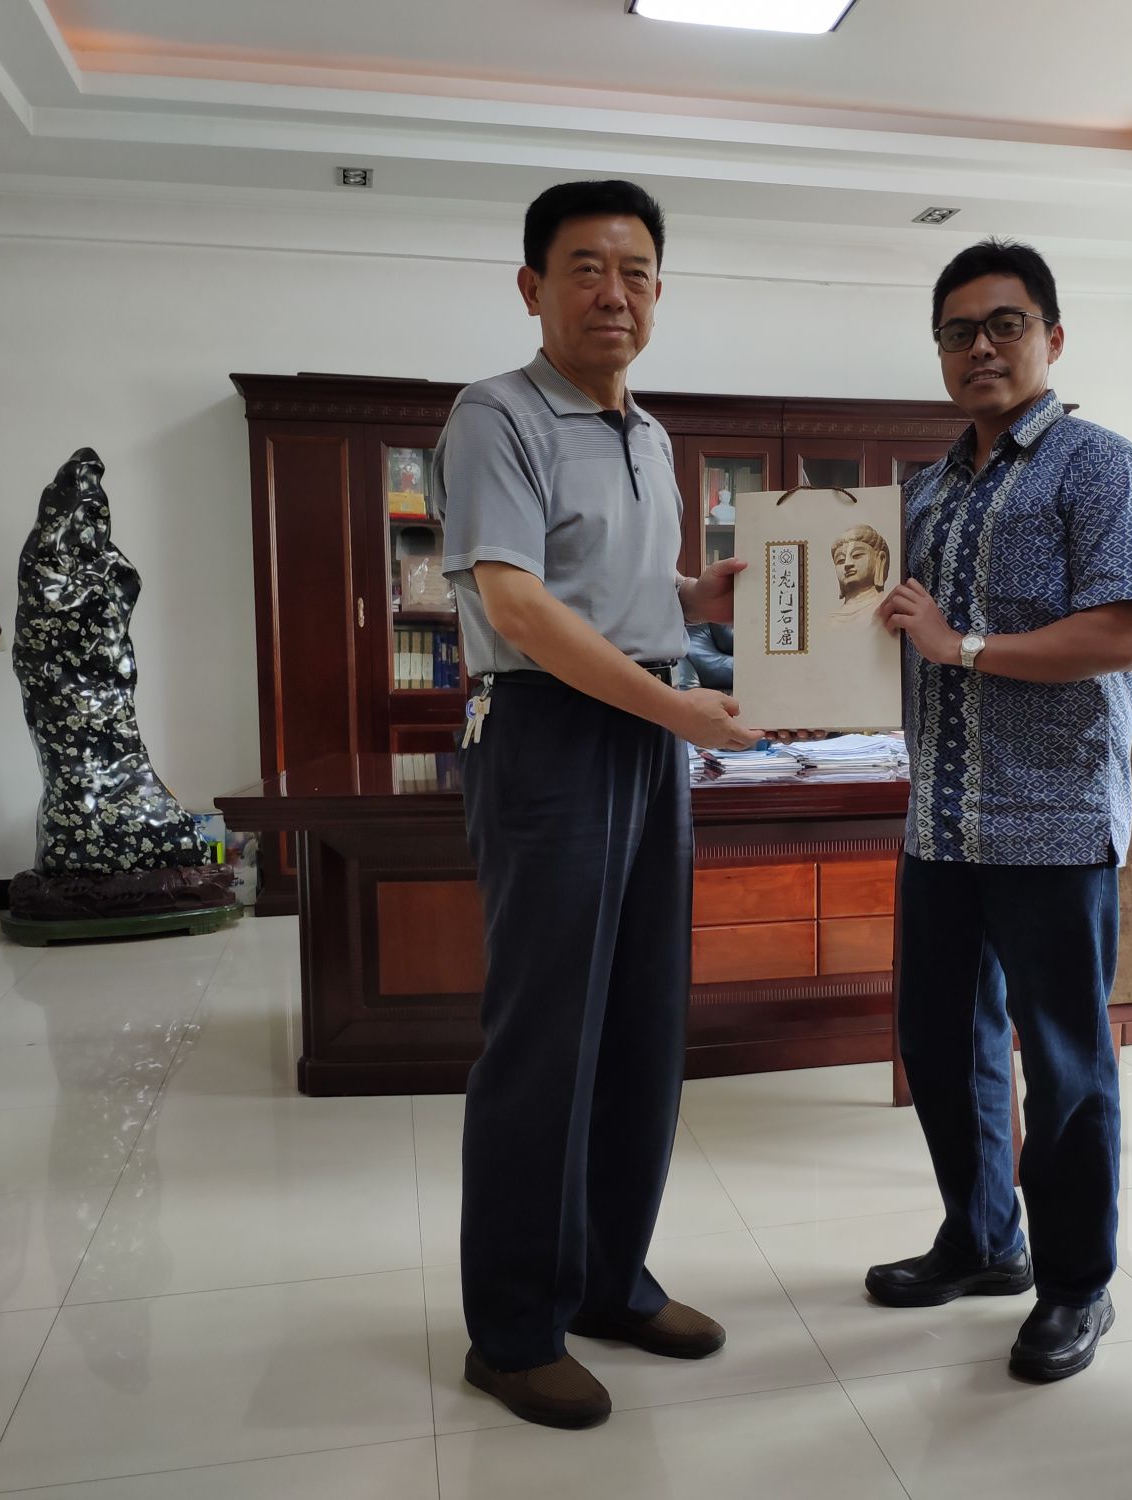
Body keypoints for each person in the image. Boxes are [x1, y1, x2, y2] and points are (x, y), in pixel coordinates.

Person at [435, 178, 760, 1432]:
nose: (611, 293)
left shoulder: (652, 433)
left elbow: (616, 589)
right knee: (544, 1039)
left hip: (640, 737)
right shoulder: (495, 415)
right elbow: (517, 604)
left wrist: (696, 600)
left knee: (638, 1025)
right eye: (584, 268)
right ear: (532, 288)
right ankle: (515, 1331)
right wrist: (677, 705)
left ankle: (612, 1283)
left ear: (658, 293)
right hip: (546, 737)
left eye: (634, 271)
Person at [864, 238, 1132, 1383]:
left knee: (1064, 1069)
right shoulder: (924, 490)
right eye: (957, 332)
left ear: (1050, 336)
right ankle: (982, 1239)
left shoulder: (1098, 466)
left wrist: (962, 645)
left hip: (1051, 822)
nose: (979, 348)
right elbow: (876, 626)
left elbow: (1116, 633)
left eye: (1004, 325)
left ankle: (1075, 1285)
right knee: (939, 1045)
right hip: (940, 821)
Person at [826, 524, 891, 627]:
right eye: (840, 560)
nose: (847, 564)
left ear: (880, 559)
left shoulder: (888, 606)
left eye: (857, 555)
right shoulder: (828, 622)